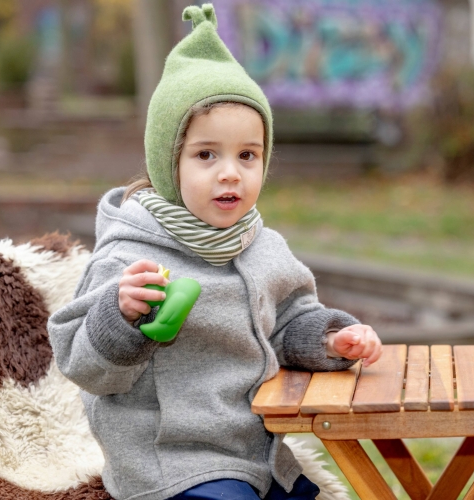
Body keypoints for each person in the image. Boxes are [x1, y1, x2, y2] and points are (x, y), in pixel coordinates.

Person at [48, 4, 382, 500]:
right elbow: (81, 365)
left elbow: (290, 321)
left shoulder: (262, 246)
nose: (230, 172)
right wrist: (120, 317)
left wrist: (333, 339)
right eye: (207, 154)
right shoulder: (127, 257)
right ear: (169, 163)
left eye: (247, 155)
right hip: (170, 460)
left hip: (258, 451)